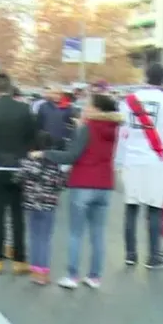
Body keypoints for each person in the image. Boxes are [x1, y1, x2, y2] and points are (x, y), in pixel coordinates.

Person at [32, 92, 122, 289]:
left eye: (88, 105)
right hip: (105, 185)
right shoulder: (113, 128)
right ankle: (94, 276)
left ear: (97, 109)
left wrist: (45, 153)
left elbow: (72, 155)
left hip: (83, 182)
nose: (84, 108)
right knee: (98, 233)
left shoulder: (87, 129)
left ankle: (72, 276)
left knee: (76, 233)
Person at [116, 63, 163, 270]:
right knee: (154, 209)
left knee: (131, 207)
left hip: (131, 159)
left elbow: (122, 131)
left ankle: (130, 255)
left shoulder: (128, 100)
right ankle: (153, 256)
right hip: (156, 160)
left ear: (145, 77)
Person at [0, 73, 35, 275]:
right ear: (11, 88)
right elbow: (32, 138)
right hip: (19, 166)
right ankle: (20, 259)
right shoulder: (25, 109)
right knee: (18, 215)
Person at [15, 133, 66, 285]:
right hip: (48, 205)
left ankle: (35, 271)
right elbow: (62, 183)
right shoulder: (54, 163)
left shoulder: (27, 161)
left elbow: (18, 178)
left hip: (31, 204)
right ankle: (43, 274)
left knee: (34, 237)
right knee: (45, 239)